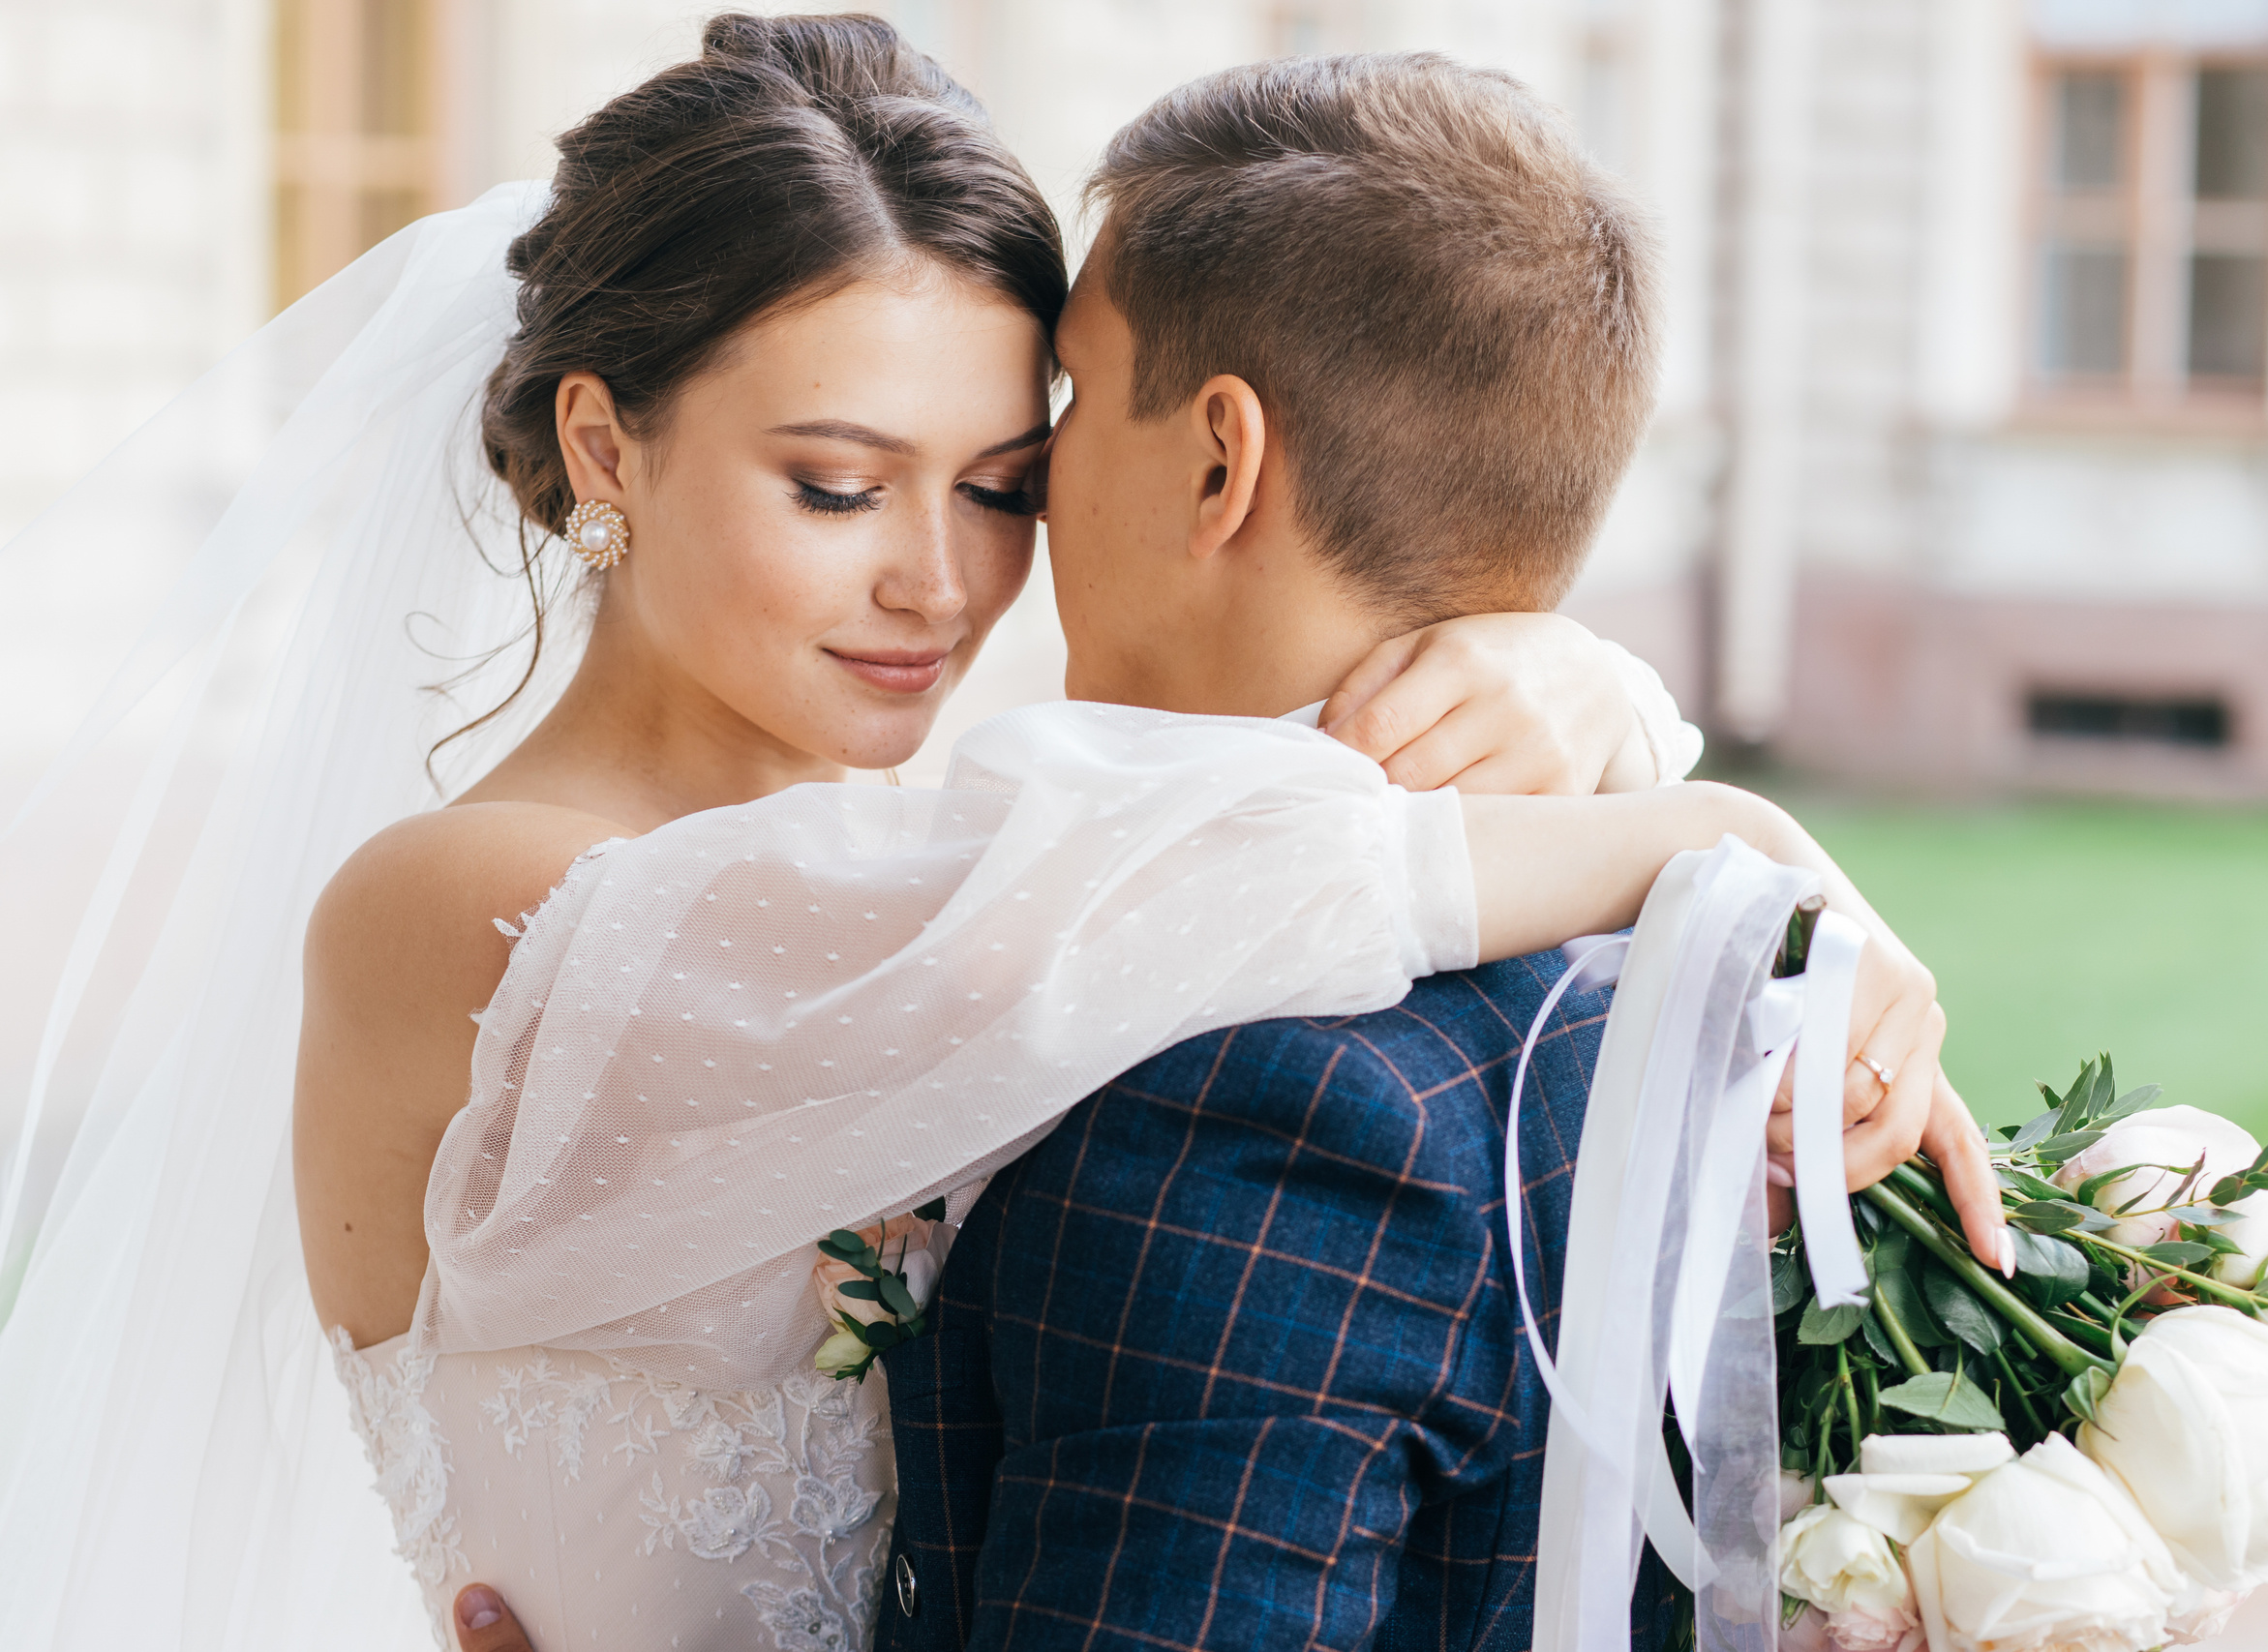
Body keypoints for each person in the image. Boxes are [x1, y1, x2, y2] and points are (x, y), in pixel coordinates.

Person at [0, 16, 1988, 1652]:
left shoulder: (971, 828)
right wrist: (1708, 817)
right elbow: (1210, 868)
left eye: (1002, 481)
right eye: (836, 485)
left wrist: (1555, 678)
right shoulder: (475, 905)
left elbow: (1162, 839)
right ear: (606, 446)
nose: (938, 585)